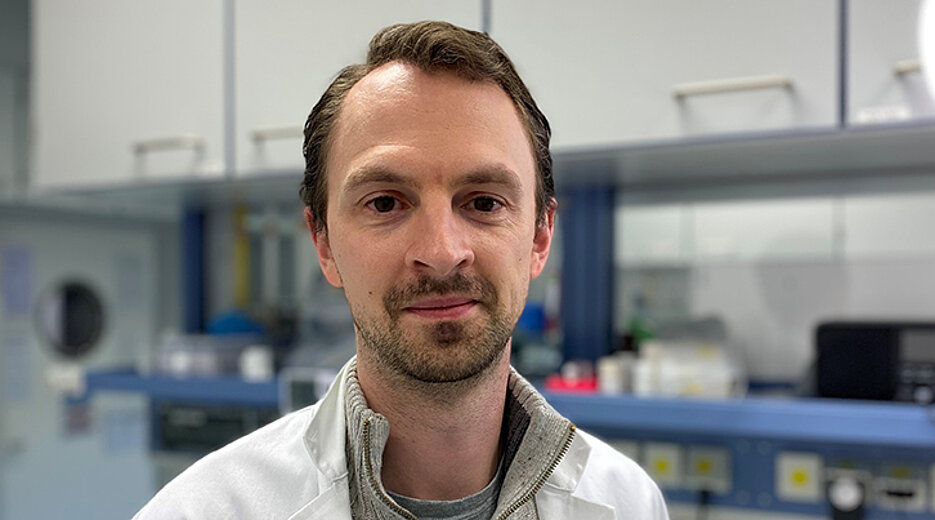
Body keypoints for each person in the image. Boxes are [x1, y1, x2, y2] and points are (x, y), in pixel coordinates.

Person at [134, 21, 669, 520]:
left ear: (539, 237)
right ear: (323, 242)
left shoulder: (629, 503)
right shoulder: (200, 510)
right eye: (385, 203)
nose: (441, 251)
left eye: (484, 202)